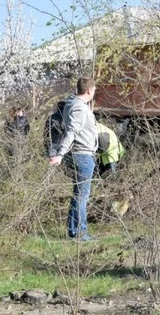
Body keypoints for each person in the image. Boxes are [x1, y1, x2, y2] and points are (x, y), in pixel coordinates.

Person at [49, 78, 98, 242]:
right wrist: (60, 154)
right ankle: (80, 233)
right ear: (90, 91)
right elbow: (72, 132)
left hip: (82, 154)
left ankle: (73, 231)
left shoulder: (75, 104)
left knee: (79, 195)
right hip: (82, 155)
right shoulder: (78, 107)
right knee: (82, 196)